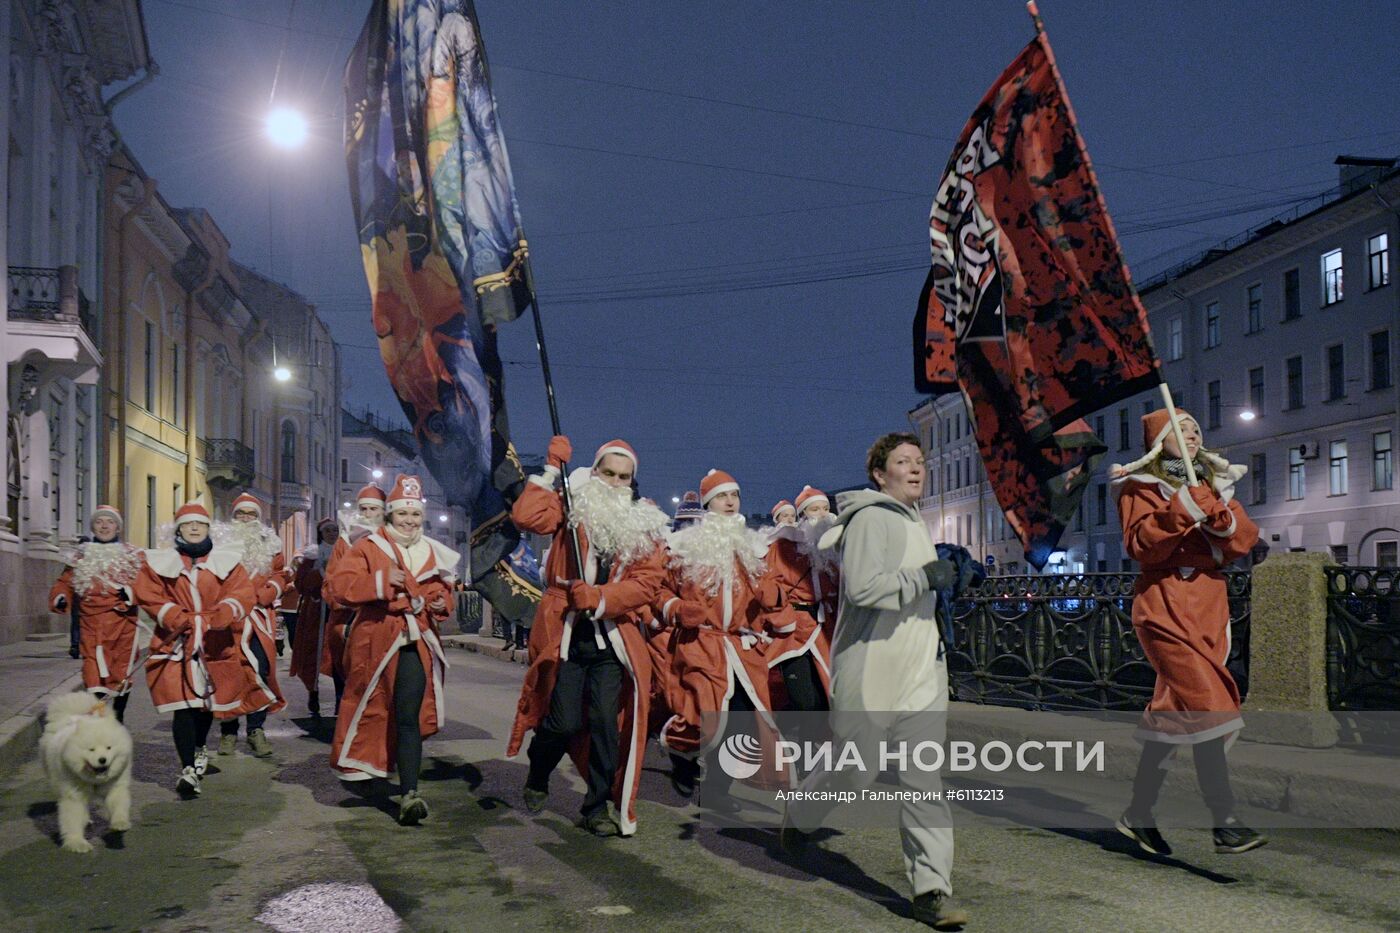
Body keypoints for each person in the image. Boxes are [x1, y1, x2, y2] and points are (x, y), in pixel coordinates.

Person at [785, 433, 969, 930]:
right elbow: (866, 589)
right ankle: (802, 814)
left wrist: (950, 579)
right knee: (856, 770)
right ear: (879, 474)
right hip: (871, 669)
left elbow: (920, 591)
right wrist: (928, 577)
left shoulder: (914, 522)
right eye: (902, 462)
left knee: (923, 780)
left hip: (920, 672)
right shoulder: (870, 517)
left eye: (920, 461)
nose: (915, 469)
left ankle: (931, 890)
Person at [1111, 408, 1266, 856]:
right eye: (1181, 429)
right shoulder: (1138, 485)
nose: (1193, 434)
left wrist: (1219, 518)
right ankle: (1225, 820)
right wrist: (1183, 510)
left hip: (1208, 607)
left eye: (1197, 427)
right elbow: (1139, 543)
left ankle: (1138, 813)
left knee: (1172, 714)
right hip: (1164, 606)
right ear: (1160, 440)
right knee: (1209, 707)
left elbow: (1243, 540)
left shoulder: (1213, 483)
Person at [507, 437, 669, 837]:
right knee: (561, 723)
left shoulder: (643, 524)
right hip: (567, 633)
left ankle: (595, 807)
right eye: (607, 472)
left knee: (604, 724)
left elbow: (647, 582)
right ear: (594, 472)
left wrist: (601, 597)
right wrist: (548, 469)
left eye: (623, 476)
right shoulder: (570, 506)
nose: (614, 482)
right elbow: (526, 518)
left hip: (612, 637)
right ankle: (539, 772)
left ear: (632, 481)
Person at [326, 475, 457, 825]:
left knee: (408, 715)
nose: (410, 521)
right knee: (372, 708)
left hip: (416, 640)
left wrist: (442, 601)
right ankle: (368, 768)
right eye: (403, 515)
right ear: (390, 516)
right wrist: (382, 583)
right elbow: (340, 587)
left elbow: (445, 595)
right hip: (376, 640)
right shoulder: (369, 546)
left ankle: (410, 793)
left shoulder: (431, 550)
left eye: (415, 515)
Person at [656, 469, 786, 806]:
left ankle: (716, 793)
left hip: (742, 648)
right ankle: (681, 755)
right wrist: (677, 609)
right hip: (701, 644)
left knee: (742, 725)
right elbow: (659, 591)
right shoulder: (685, 547)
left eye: (735, 495)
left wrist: (772, 597)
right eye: (722, 496)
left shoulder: (753, 547)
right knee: (703, 719)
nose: (730, 502)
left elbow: (771, 592)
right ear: (708, 503)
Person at [132, 497, 255, 798]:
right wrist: (174, 616)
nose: (195, 529)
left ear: (208, 528)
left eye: (200, 524)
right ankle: (187, 768)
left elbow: (242, 592)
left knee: (204, 706)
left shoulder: (226, 561)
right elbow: (148, 594)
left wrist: (223, 613)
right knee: (182, 706)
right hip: (176, 641)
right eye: (188, 525)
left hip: (214, 641)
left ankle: (200, 746)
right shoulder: (161, 562)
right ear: (179, 530)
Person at [207, 493, 289, 758]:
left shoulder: (270, 544)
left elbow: (281, 574)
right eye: (240, 514)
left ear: (258, 518)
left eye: (250, 514)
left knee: (261, 671)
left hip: (258, 618)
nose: (245, 519)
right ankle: (229, 732)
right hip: (229, 619)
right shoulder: (219, 544)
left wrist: (267, 593)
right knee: (229, 674)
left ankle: (256, 729)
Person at [48, 507, 146, 722]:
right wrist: (61, 596)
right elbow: (65, 582)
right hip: (91, 626)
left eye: (109, 522)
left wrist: (131, 592)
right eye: (99, 522)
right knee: (92, 674)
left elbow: (148, 585)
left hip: (123, 625)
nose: (104, 525)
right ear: (93, 526)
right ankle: (101, 719)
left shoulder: (132, 555)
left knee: (121, 675)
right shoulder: (81, 556)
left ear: (117, 527)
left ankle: (117, 716)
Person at [293, 515, 355, 717]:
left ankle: (340, 700)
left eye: (335, 530)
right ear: (321, 534)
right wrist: (320, 573)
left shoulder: (346, 554)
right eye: (328, 530)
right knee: (314, 655)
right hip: (316, 613)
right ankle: (313, 692)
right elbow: (300, 585)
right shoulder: (312, 556)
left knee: (339, 656)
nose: (332, 534)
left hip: (339, 611)